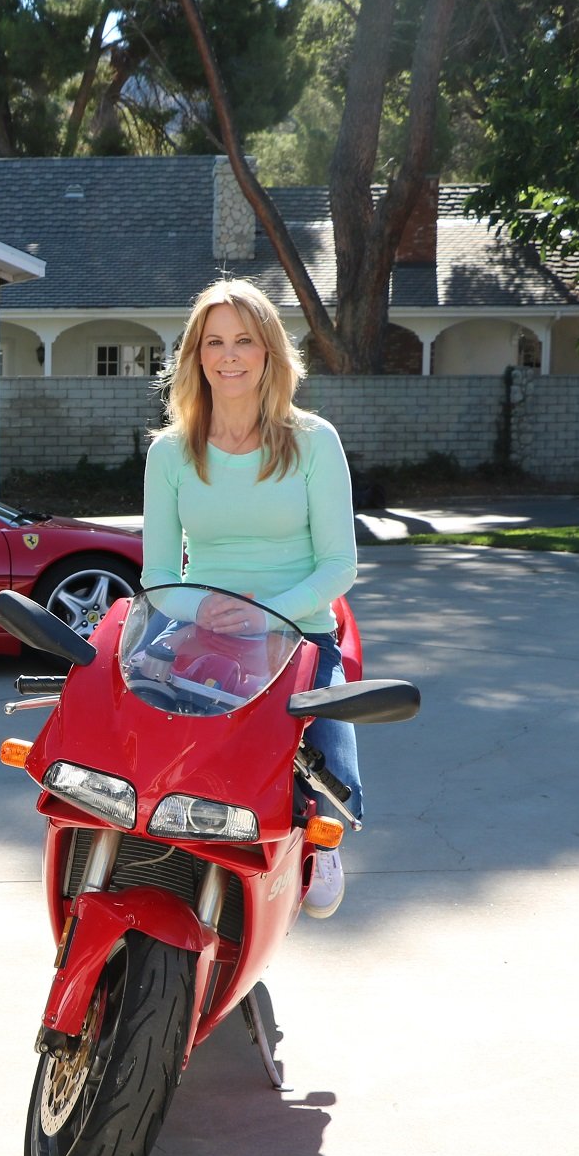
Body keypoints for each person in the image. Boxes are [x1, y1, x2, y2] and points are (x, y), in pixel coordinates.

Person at [141, 278, 361, 917]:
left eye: (244, 340)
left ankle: (323, 841)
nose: (229, 355)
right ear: (196, 356)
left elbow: (338, 565)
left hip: (299, 632)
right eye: (214, 342)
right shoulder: (170, 453)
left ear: (269, 352)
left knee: (332, 779)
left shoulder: (314, 440)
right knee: (136, 748)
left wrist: (274, 614)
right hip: (200, 631)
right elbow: (159, 576)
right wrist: (198, 609)